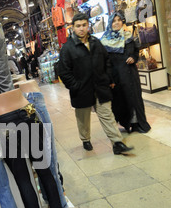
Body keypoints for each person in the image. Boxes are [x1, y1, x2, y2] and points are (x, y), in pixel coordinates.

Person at [58, 13, 134, 155]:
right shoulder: (67, 48)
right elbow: (64, 72)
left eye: (84, 25)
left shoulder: (96, 42)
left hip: (100, 87)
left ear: (88, 26)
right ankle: (85, 139)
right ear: (73, 28)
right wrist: (76, 86)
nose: (81, 29)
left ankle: (117, 143)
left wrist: (107, 78)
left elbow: (107, 61)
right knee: (83, 119)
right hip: (81, 91)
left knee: (107, 116)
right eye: (78, 26)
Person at [100, 12, 151, 134]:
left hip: (131, 74)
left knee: (135, 99)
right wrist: (109, 79)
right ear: (110, 23)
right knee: (122, 100)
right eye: (114, 21)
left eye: (119, 20)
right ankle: (128, 123)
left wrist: (134, 58)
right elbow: (104, 62)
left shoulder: (128, 36)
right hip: (117, 77)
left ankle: (138, 123)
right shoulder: (104, 41)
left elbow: (135, 51)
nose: (117, 22)